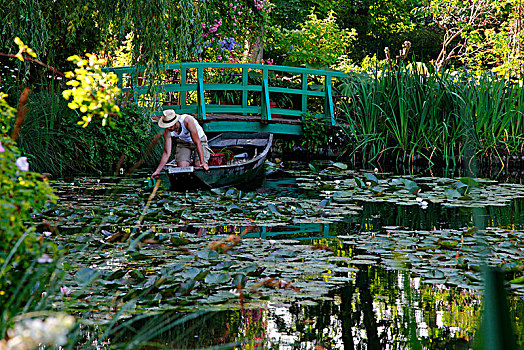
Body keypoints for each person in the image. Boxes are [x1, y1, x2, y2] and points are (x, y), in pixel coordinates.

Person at [151, 110, 210, 178]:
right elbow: (167, 153)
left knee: (199, 166)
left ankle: (195, 161)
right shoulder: (167, 132)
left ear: (175, 121)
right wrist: (158, 170)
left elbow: (197, 142)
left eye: (170, 125)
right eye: (167, 126)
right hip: (183, 143)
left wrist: (203, 162)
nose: (168, 128)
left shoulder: (187, 121)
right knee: (182, 169)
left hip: (199, 141)